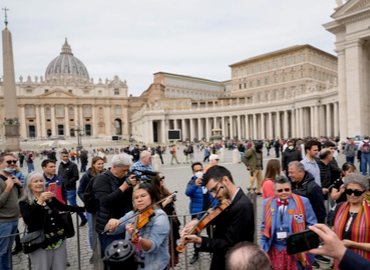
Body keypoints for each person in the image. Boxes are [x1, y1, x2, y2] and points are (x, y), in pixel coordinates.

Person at [181, 166, 254, 270]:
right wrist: (196, 222)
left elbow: (229, 244)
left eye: (215, 189)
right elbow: (214, 214)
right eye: (211, 191)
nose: (214, 195)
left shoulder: (243, 206)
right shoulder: (228, 201)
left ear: (225, 180)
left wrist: (200, 241)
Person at [19, 172, 85, 270]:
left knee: (60, 266)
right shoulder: (24, 202)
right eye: (35, 181)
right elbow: (29, 220)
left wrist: (83, 209)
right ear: (29, 184)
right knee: (43, 267)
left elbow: (62, 206)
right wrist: (40, 202)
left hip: (58, 238)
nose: (39, 183)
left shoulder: (49, 197)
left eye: (41, 181)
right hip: (40, 241)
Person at [105, 183, 170, 270]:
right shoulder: (132, 214)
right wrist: (110, 224)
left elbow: (152, 246)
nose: (139, 200)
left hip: (154, 266)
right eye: (136, 198)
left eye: (143, 196)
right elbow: (112, 230)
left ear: (151, 196)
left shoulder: (160, 217)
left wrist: (137, 237)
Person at [261, 175, 317, 270]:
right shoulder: (267, 203)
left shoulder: (303, 202)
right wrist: (262, 247)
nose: (284, 193)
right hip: (275, 249)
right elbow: (264, 226)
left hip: (296, 251)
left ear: (291, 189)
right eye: (280, 190)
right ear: (274, 191)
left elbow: (312, 225)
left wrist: (302, 242)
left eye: (287, 190)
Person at [93, 153, 138, 264]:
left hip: (126, 224)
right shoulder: (101, 179)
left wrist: (136, 187)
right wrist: (124, 186)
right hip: (110, 227)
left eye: (127, 170)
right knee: (112, 260)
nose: (126, 173)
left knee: (127, 259)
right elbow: (105, 201)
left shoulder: (125, 177)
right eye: (123, 170)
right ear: (114, 167)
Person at [331, 174, 370, 270]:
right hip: (340, 261)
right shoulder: (339, 207)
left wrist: (353, 244)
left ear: (366, 192)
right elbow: (333, 231)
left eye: (357, 192)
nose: (352, 195)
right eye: (349, 191)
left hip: (362, 263)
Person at [185, 162, 217, 264]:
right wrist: (195, 185)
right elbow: (187, 193)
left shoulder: (208, 180)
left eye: (200, 169)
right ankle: (196, 253)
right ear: (193, 172)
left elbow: (215, 195)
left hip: (210, 212)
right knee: (196, 234)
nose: (199, 172)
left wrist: (215, 207)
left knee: (211, 233)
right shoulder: (191, 182)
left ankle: (212, 252)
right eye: (196, 170)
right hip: (197, 213)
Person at [77, 156, 104, 264]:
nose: (101, 166)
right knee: (92, 230)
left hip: (102, 206)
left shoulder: (105, 174)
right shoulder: (86, 176)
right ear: (93, 164)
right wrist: (87, 202)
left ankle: (102, 248)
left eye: (102, 163)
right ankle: (94, 251)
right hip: (91, 207)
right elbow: (80, 191)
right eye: (98, 164)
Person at [151, 172, 180, 267]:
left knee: (171, 245)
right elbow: (154, 210)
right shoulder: (153, 193)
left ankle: (169, 265)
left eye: (163, 177)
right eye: (161, 178)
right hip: (160, 223)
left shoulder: (164, 189)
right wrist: (166, 201)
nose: (163, 180)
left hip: (170, 222)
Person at [0, 154, 23, 270]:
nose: (12, 163)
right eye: (8, 162)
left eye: (14, 161)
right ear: (0, 164)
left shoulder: (12, 178)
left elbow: (20, 197)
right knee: (1, 252)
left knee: (7, 251)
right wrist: (8, 188)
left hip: (13, 220)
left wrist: (19, 186)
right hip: (3, 222)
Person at [58, 151, 87, 226]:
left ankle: (83, 218)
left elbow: (76, 176)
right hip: (62, 189)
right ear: (61, 156)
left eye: (66, 156)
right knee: (63, 205)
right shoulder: (60, 166)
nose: (65, 158)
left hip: (71, 188)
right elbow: (59, 175)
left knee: (73, 205)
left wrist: (68, 183)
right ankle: (65, 221)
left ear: (69, 156)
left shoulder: (73, 165)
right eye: (64, 156)